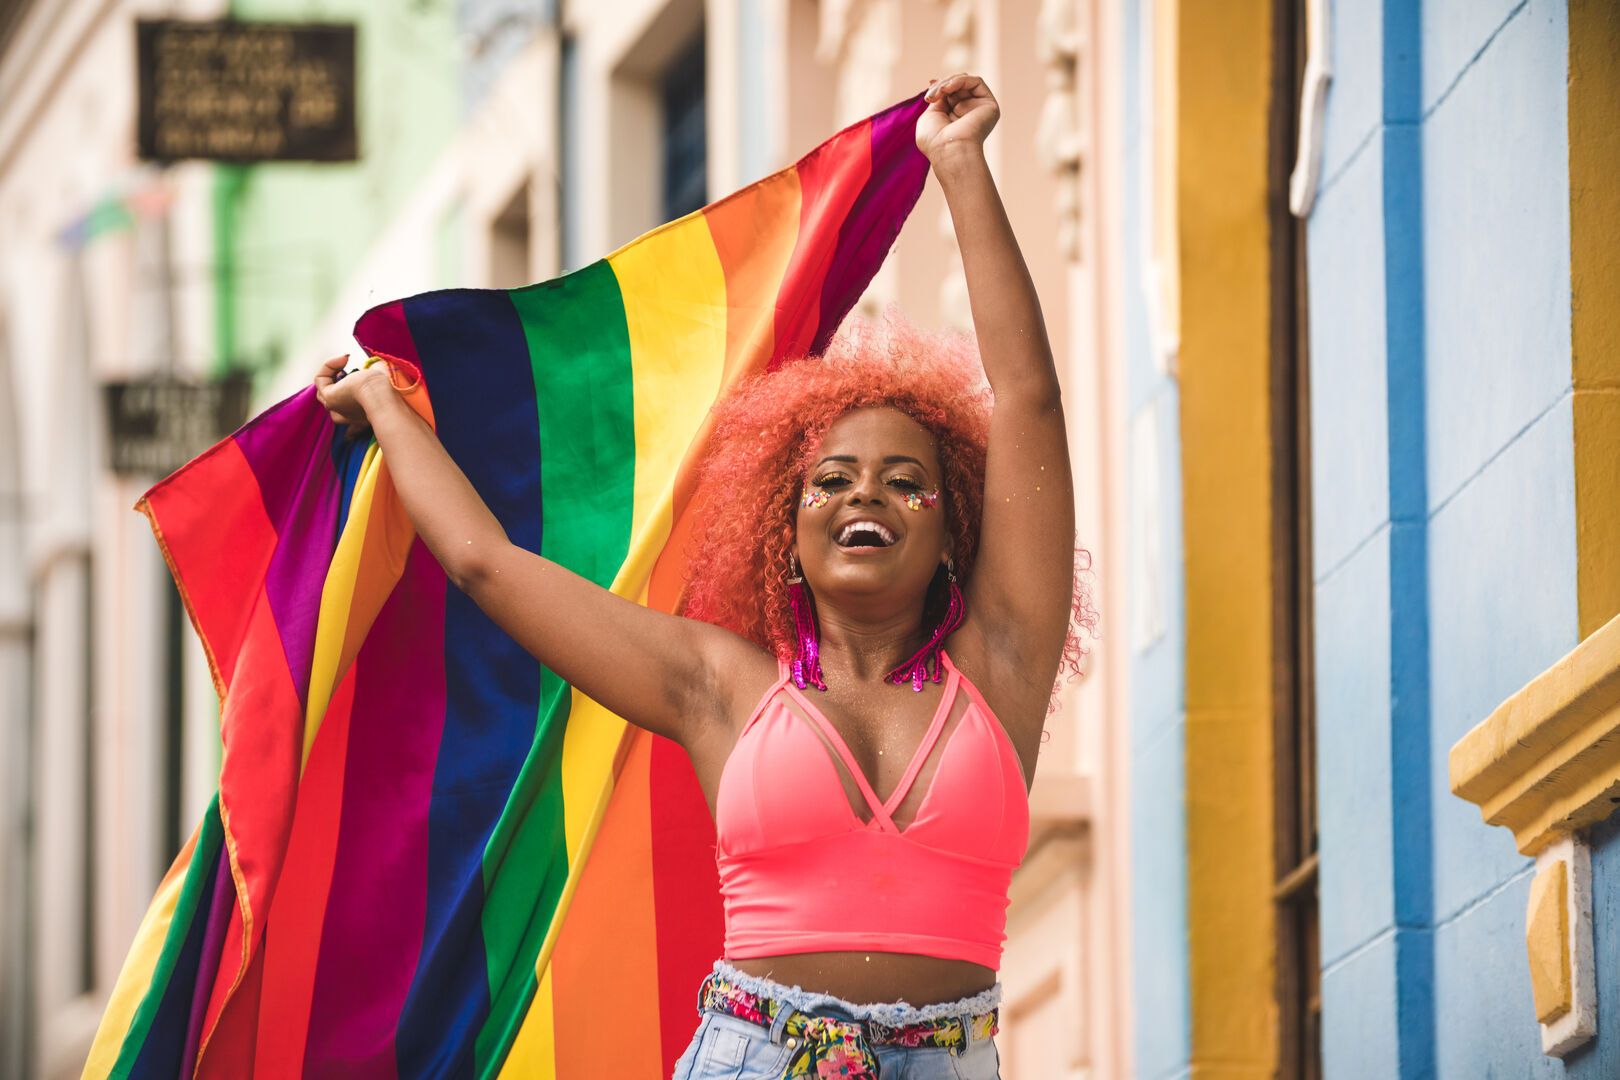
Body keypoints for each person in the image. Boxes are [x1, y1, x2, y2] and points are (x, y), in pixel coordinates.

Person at [316, 73, 1086, 1080]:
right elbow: (487, 566)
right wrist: (386, 412)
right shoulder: (718, 685)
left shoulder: (1002, 665)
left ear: (954, 534)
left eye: (908, 482)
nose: (867, 495)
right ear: (785, 531)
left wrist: (961, 166)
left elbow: (1027, 397)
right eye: (831, 481)